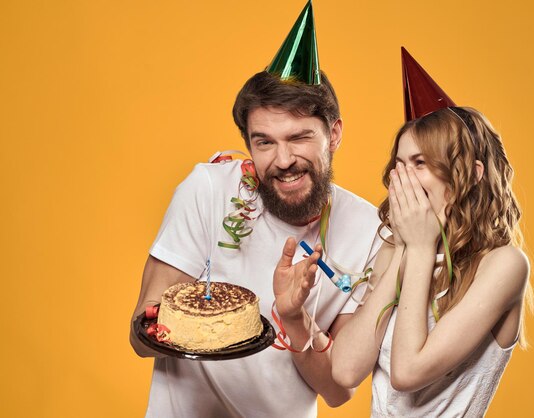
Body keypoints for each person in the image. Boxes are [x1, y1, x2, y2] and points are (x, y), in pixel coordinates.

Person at [129, 3, 384, 417]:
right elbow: (140, 333)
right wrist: (196, 324)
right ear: (248, 142)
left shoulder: (368, 232)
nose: (283, 160)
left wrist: (294, 317)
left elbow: (338, 391)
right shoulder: (207, 189)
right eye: (264, 141)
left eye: (299, 137)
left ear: (333, 134)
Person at [332, 48, 534, 417]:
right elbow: (345, 369)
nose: (404, 178)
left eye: (420, 163)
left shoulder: (503, 265)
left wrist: (422, 248)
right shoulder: (395, 250)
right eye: (400, 164)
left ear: (471, 175)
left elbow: (407, 372)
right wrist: (407, 251)